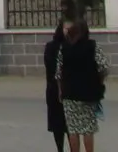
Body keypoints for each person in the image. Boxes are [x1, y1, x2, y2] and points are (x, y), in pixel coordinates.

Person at [56, 19, 109, 152]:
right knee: (88, 129)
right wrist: (100, 81)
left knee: (73, 129)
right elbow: (103, 67)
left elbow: (58, 73)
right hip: (89, 94)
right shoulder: (93, 46)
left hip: (69, 93)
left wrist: (60, 91)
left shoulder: (64, 48)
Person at [44, 19, 68, 152]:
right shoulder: (53, 47)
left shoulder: (72, 46)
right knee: (61, 124)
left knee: (66, 124)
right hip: (57, 89)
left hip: (62, 89)